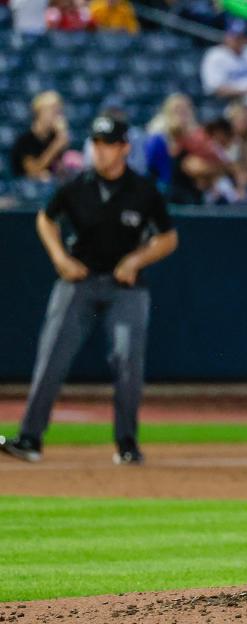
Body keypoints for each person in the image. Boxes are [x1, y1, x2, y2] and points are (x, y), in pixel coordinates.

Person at [0, 115, 178, 465]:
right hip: (78, 281)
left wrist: (136, 260)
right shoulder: (76, 185)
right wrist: (59, 258)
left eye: (108, 143)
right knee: (52, 355)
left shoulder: (143, 191)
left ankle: (127, 444)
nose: (100, 150)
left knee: (127, 358)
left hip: (125, 287)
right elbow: (45, 219)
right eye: (96, 143)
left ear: (124, 147)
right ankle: (30, 439)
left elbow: (169, 238)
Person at [11, 91, 70, 181]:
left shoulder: (54, 138)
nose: (57, 116)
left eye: (58, 111)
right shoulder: (25, 140)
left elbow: (60, 172)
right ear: (39, 112)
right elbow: (33, 171)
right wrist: (56, 145)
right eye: (52, 110)